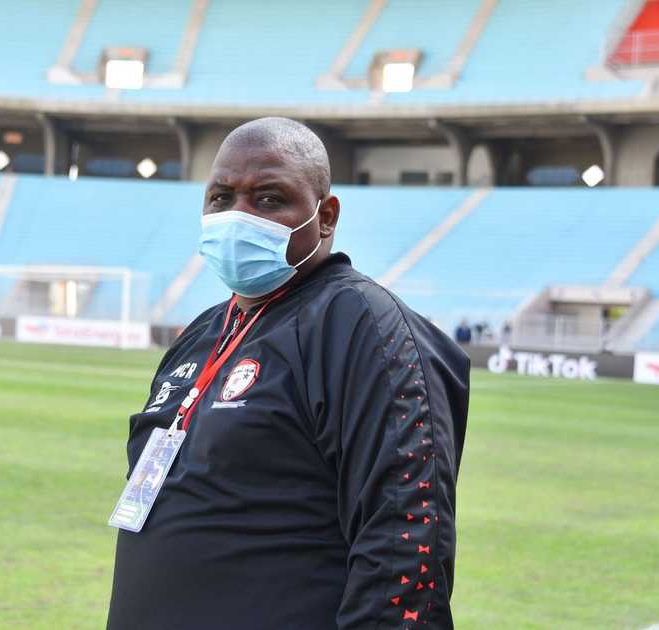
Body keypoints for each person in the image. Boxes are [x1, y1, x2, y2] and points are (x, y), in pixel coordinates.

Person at [107, 118, 470, 629]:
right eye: (221, 198)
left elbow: (403, 542)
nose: (239, 216)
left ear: (325, 217)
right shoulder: (205, 332)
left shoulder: (360, 325)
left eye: (270, 199)